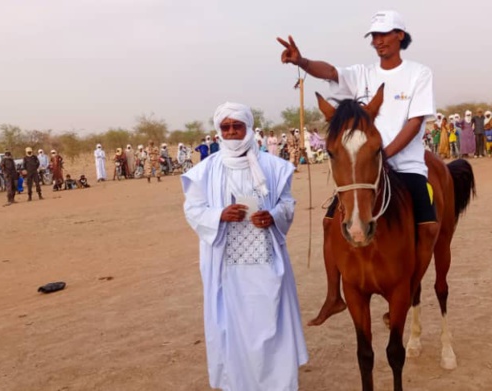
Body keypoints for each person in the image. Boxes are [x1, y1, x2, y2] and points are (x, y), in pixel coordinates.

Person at [279, 9, 439, 326]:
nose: (378, 41)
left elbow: (415, 121)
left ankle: (408, 287)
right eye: (374, 36)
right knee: (329, 223)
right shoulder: (363, 74)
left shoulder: (419, 74)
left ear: (400, 36)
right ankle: (333, 297)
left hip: (404, 164)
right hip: (363, 169)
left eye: (384, 34)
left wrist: (383, 155)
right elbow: (332, 74)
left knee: (429, 226)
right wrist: (303, 62)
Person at [182, 102, 307, 391]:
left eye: (236, 126)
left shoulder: (273, 167)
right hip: (226, 267)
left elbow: (287, 204)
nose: (231, 132)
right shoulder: (204, 171)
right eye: (225, 127)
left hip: (265, 262)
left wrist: (273, 216)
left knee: (270, 321)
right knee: (232, 325)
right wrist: (219, 215)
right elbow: (193, 209)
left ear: (248, 127)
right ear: (218, 132)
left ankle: (278, 383)